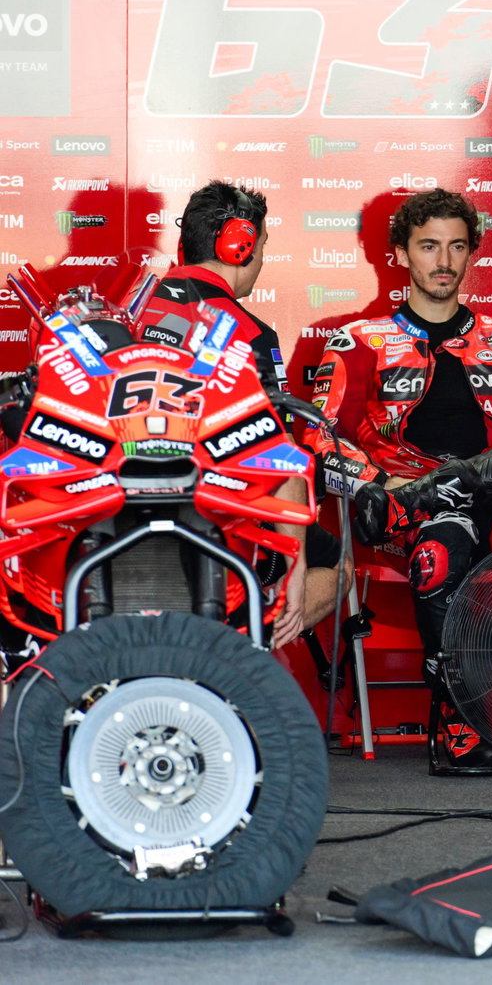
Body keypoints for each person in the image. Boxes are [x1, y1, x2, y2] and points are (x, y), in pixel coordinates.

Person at [308, 188, 492, 764]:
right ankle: (462, 718)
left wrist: (451, 490)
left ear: (472, 254)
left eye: (456, 247)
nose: (443, 261)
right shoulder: (359, 343)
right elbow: (318, 438)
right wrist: (379, 488)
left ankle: (434, 495)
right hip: (396, 508)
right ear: (401, 255)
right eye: (429, 246)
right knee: (440, 543)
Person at [138, 180, 344, 648]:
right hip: (217, 519)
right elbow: (274, 456)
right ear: (239, 245)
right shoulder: (248, 331)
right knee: (339, 563)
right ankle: (246, 648)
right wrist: (292, 559)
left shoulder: (129, 309)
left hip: (120, 512)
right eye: (261, 246)